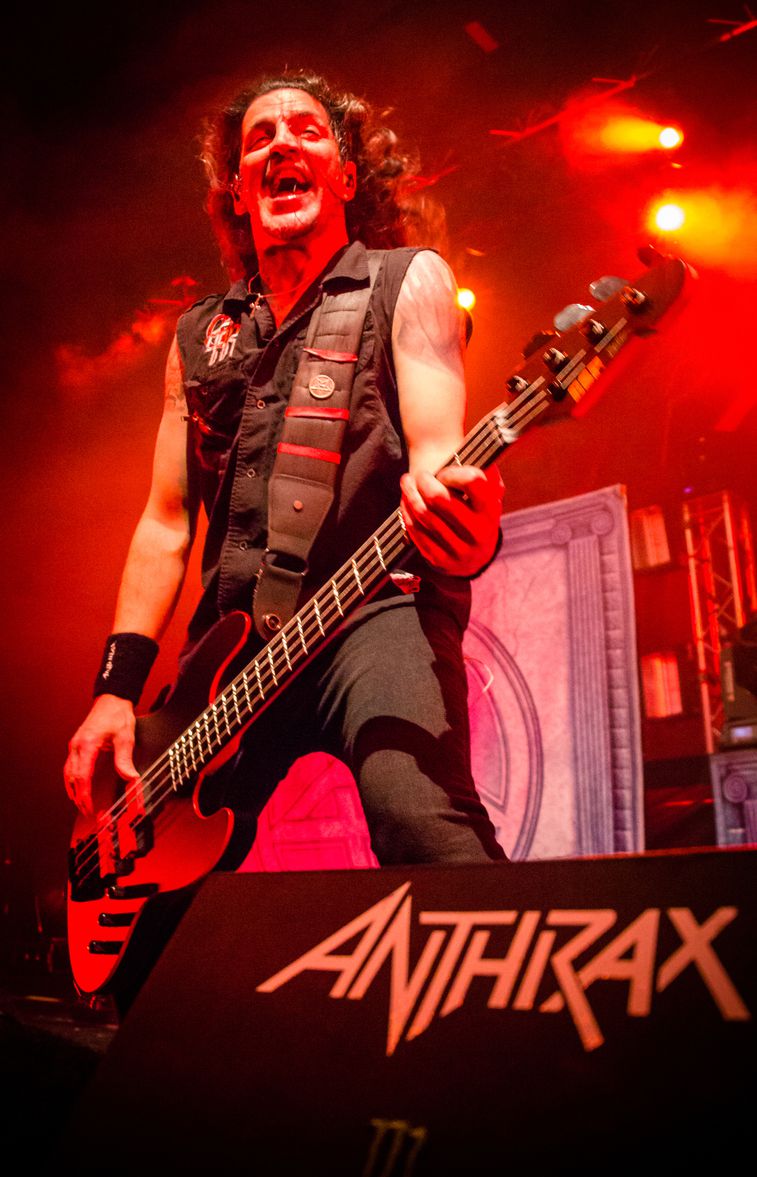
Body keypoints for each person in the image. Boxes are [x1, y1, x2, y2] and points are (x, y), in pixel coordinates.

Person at [64, 71, 506, 898]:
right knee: (157, 900)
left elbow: (439, 459)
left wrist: (467, 531)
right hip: (227, 662)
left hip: (371, 607)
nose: (279, 145)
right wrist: (114, 695)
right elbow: (165, 525)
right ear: (236, 188)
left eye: (305, 131)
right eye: (258, 139)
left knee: (416, 813)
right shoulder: (200, 335)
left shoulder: (407, 280)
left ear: (343, 173)